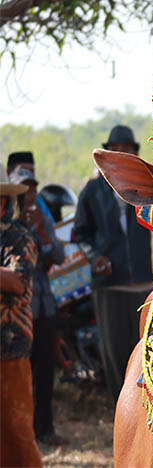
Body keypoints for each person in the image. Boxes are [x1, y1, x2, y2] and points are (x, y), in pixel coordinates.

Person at [73, 125, 153, 403]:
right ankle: (117, 407)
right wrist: (96, 258)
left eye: (127, 150)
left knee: (143, 350)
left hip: (142, 283)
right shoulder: (93, 191)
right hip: (110, 286)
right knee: (114, 349)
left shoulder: (144, 188)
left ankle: (144, 406)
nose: (121, 155)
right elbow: (80, 232)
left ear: (134, 154)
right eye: (115, 150)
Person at [9, 166, 67, 445]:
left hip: (44, 307)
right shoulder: (7, 224)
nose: (29, 194)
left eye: (32, 188)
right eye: (24, 189)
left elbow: (59, 255)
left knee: (45, 370)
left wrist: (43, 231)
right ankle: (22, 435)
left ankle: (45, 429)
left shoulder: (42, 219)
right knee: (18, 374)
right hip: (17, 312)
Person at [0, 163, 43, 467]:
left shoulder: (19, 238)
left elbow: (17, 281)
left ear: (3, 201)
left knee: (15, 430)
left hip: (9, 347)